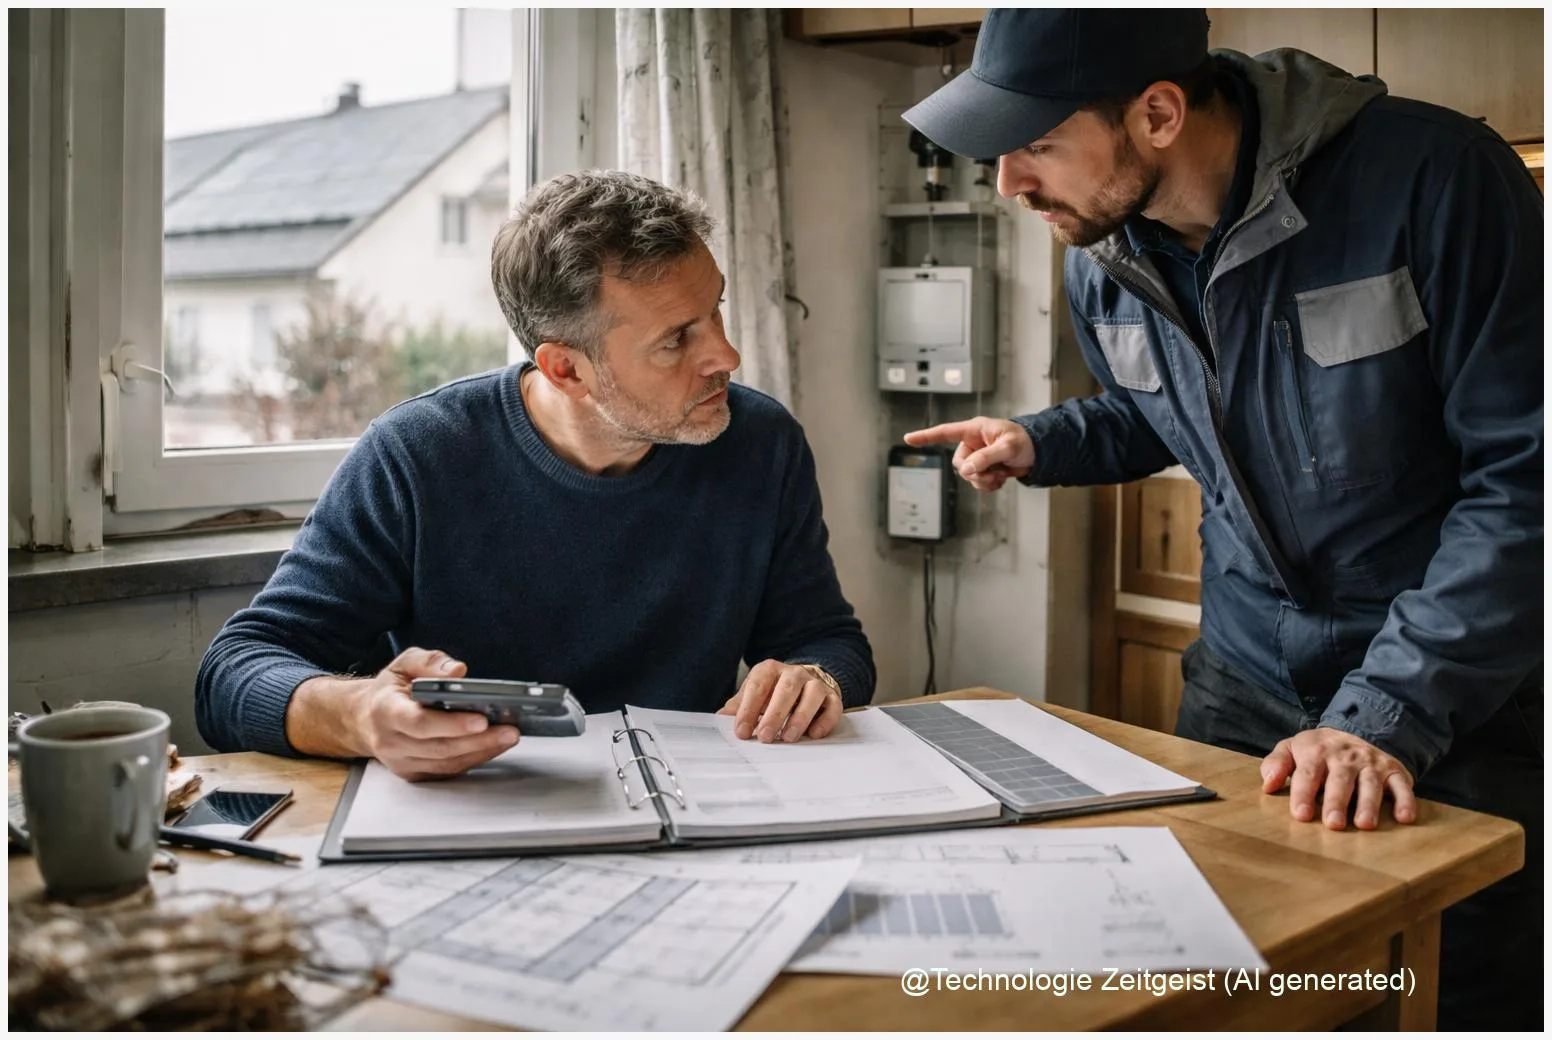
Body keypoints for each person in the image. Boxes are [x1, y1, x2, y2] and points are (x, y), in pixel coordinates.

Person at [901, 9, 1541, 1031]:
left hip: (1448, 692)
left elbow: (1524, 483)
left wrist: (1386, 710)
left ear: (1157, 114)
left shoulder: (1438, 180)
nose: (1008, 184)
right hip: (1242, 690)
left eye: (1036, 145)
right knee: (1229, 982)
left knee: (1438, 990)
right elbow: (1165, 411)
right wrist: (1041, 440)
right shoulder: (1101, 249)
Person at [197, 170, 875, 782]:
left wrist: (815, 677)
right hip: (476, 815)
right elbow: (234, 670)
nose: (726, 354)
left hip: (697, 804)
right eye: (676, 339)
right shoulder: (417, 454)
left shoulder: (760, 442)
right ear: (566, 369)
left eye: (716, 311)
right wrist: (360, 716)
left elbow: (827, 639)